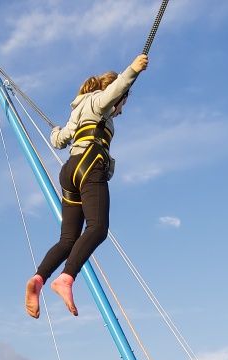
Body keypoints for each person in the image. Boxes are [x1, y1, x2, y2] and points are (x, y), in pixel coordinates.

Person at [25, 53, 149, 319]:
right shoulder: (100, 102)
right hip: (89, 166)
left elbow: (59, 140)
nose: (121, 111)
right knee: (98, 228)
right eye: (122, 105)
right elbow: (115, 90)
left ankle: (38, 278)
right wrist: (133, 70)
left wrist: (56, 131)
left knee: (68, 239)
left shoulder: (78, 110)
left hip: (70, 171)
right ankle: (66, 277)